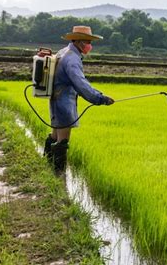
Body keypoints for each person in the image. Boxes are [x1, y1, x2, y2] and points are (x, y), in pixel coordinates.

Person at [44, 26, 114, 175]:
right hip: (64, 102)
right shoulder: (72, 59)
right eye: (87, 41)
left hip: (57, 98)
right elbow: (81, 84)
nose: (90, 45)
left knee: (55, 135)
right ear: (79, 41)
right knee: (62, 141)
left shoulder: (64, 51)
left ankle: (47, 168)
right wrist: (100, 98)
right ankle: (58, 174)